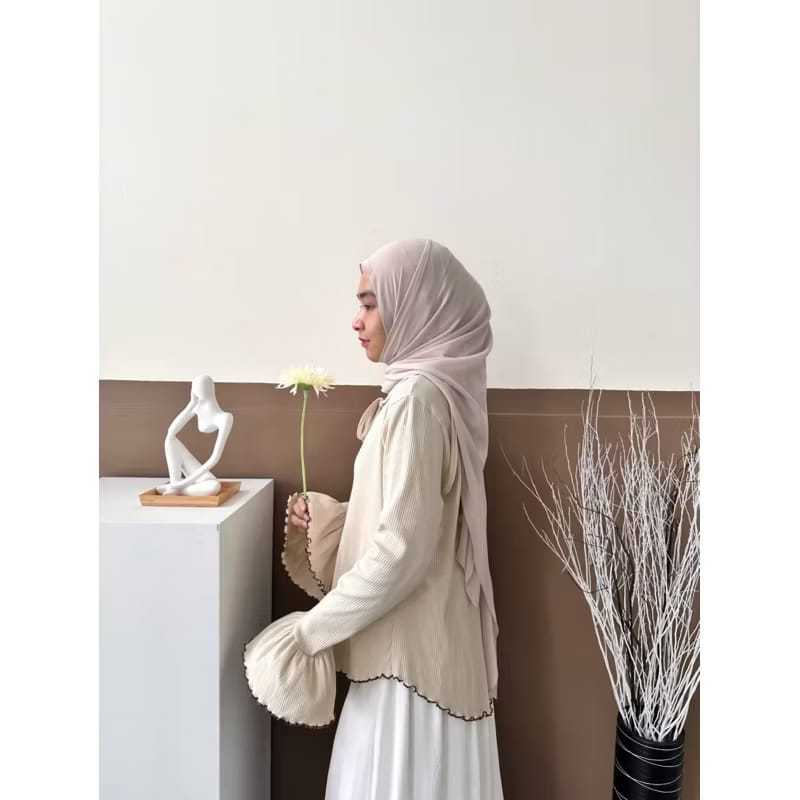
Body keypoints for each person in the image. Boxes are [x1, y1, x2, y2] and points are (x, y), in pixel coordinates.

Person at [244, 238, 504, 799]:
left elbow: (402, 550)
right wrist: (334, 520)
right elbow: (417, 524)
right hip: (422, 651)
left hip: (404, 670)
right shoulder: (425, 395)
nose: (356, 321)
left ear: (415, 306)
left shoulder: (416, 401)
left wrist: (312, 631)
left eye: (369, 303)